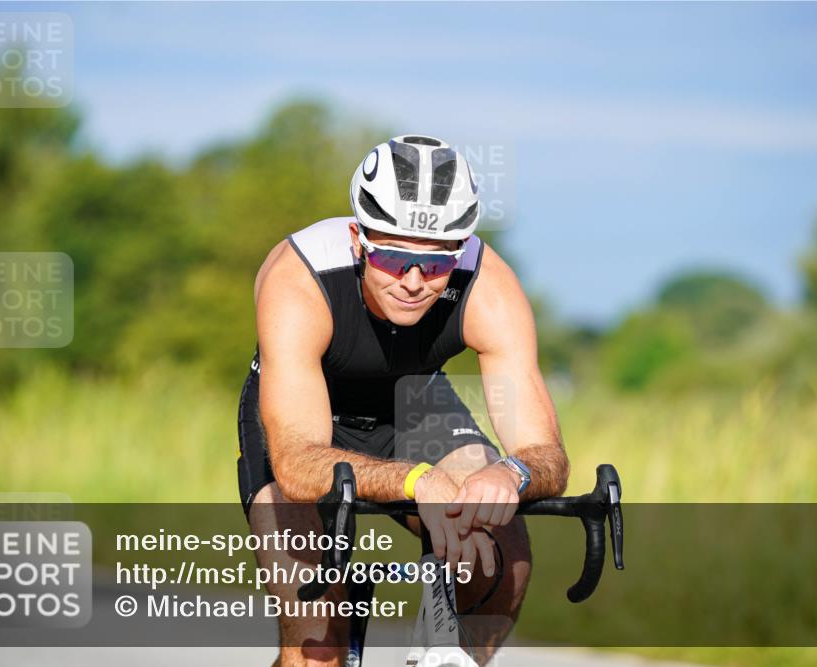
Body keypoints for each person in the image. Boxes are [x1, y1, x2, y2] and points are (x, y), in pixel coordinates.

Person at [237, 134, 570, 667]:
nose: (414, 282)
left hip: (413, 407)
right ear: (357, 239)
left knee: (501, 563)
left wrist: (510, 474)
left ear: (458, 252)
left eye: (436, 265)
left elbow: (545, 452)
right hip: (307, 425)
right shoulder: (299, 279)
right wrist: (418, 481)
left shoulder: (489, 285)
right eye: (392, 259)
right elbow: (298, 465)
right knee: (318, 645)